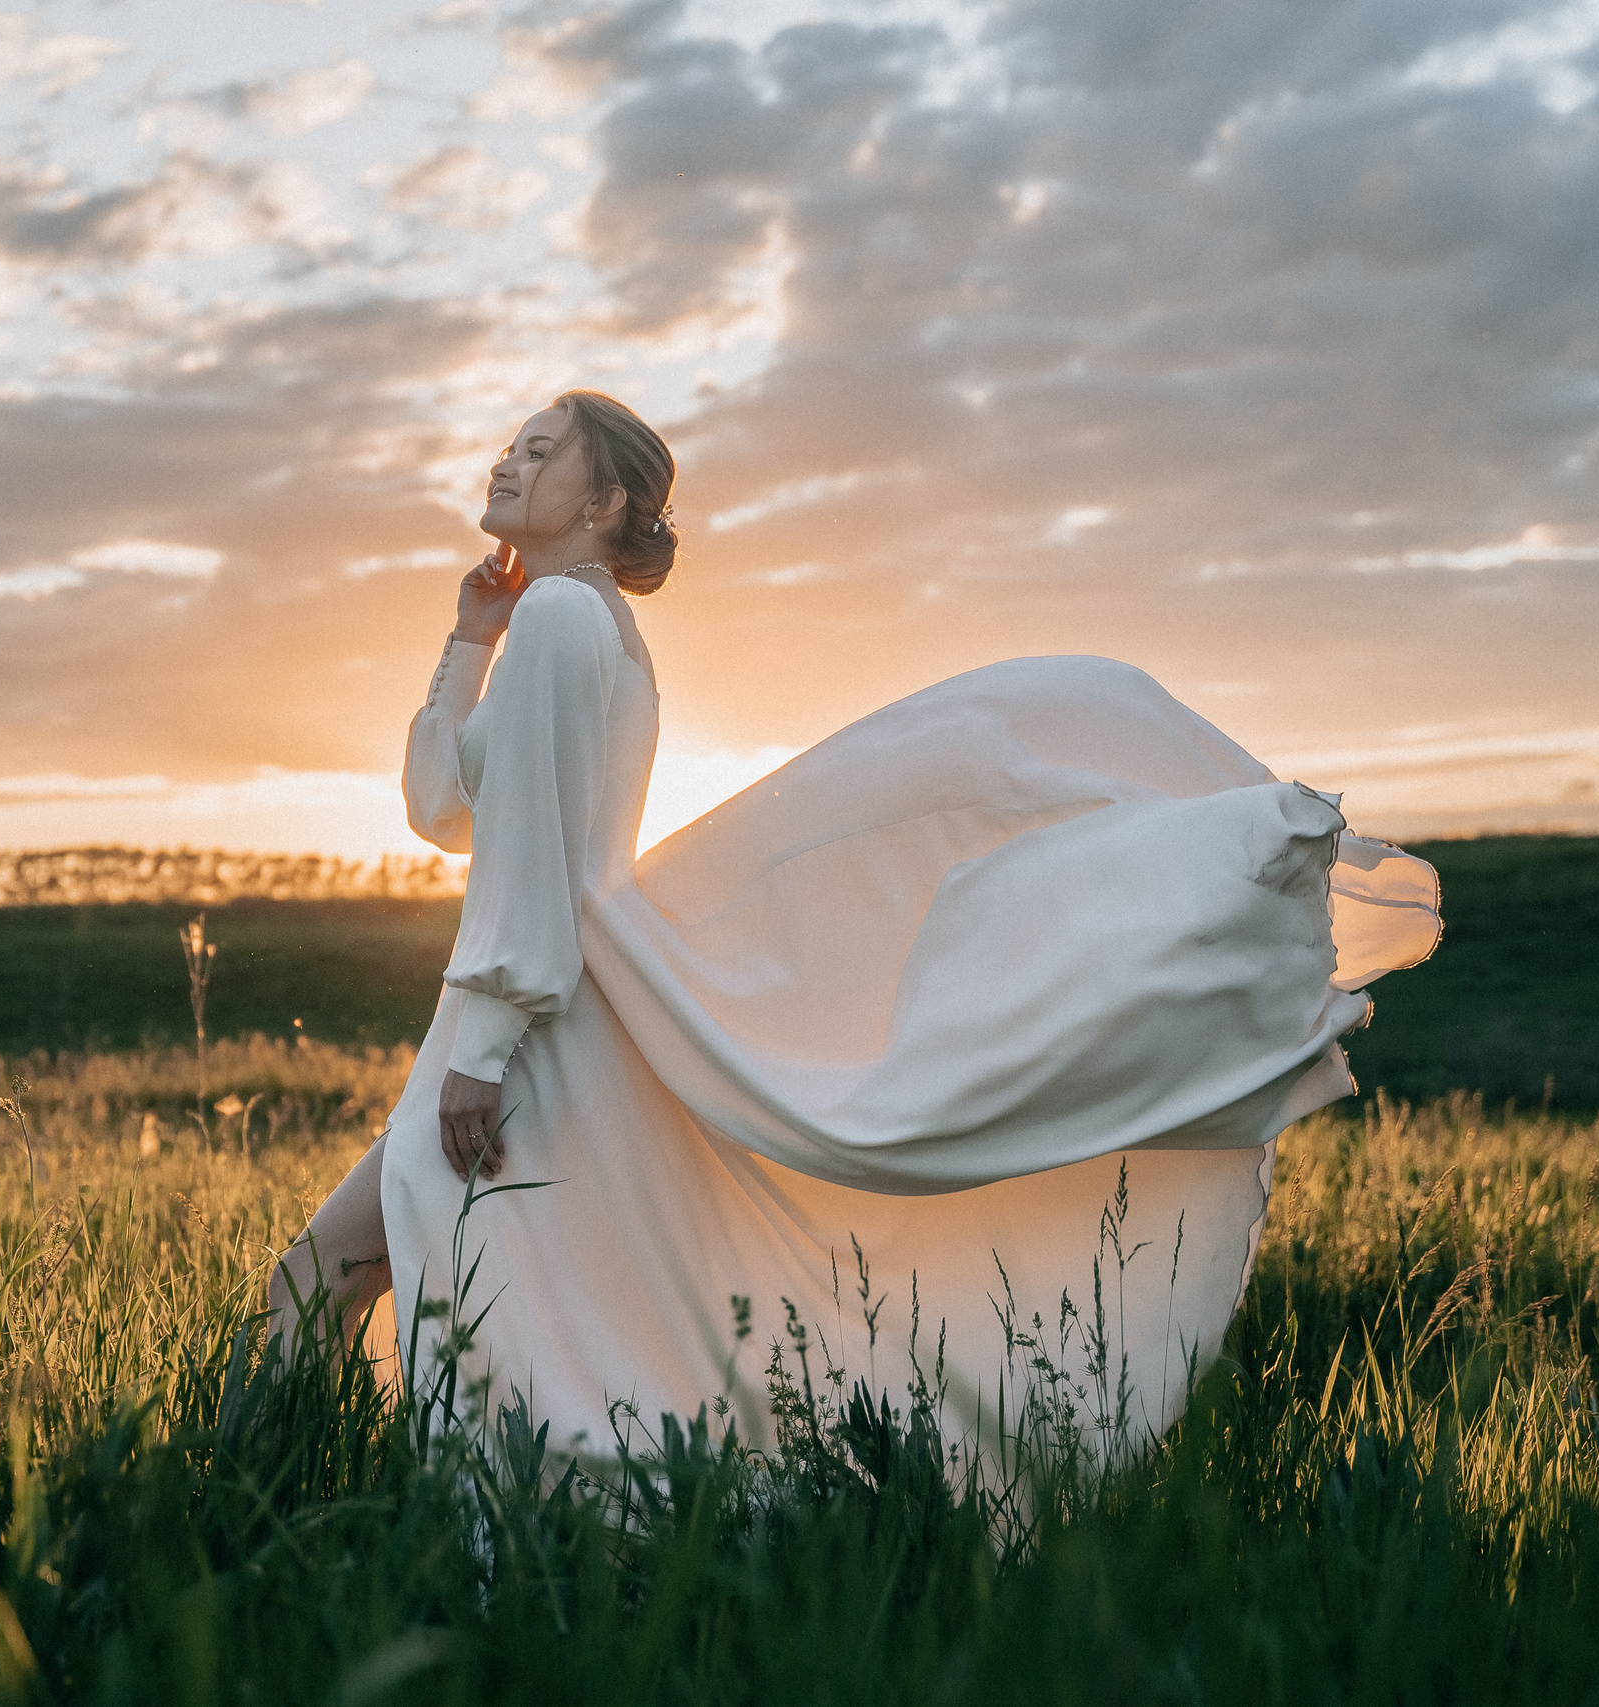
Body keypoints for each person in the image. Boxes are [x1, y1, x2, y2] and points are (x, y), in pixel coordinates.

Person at [269, 389, 1441, 1472]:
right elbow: (449, 813)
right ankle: (297, 1479)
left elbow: (530, 867)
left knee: (331, 1274)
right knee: (355, 1274)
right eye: (509, 445)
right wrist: (470, 636)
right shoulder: (559, 623)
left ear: (607, 498)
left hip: (520, 1029)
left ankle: (254, 1485)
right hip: (526, 1018)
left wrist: (482, 1049)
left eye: (538, 450)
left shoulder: (571, 621)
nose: (506, 459)